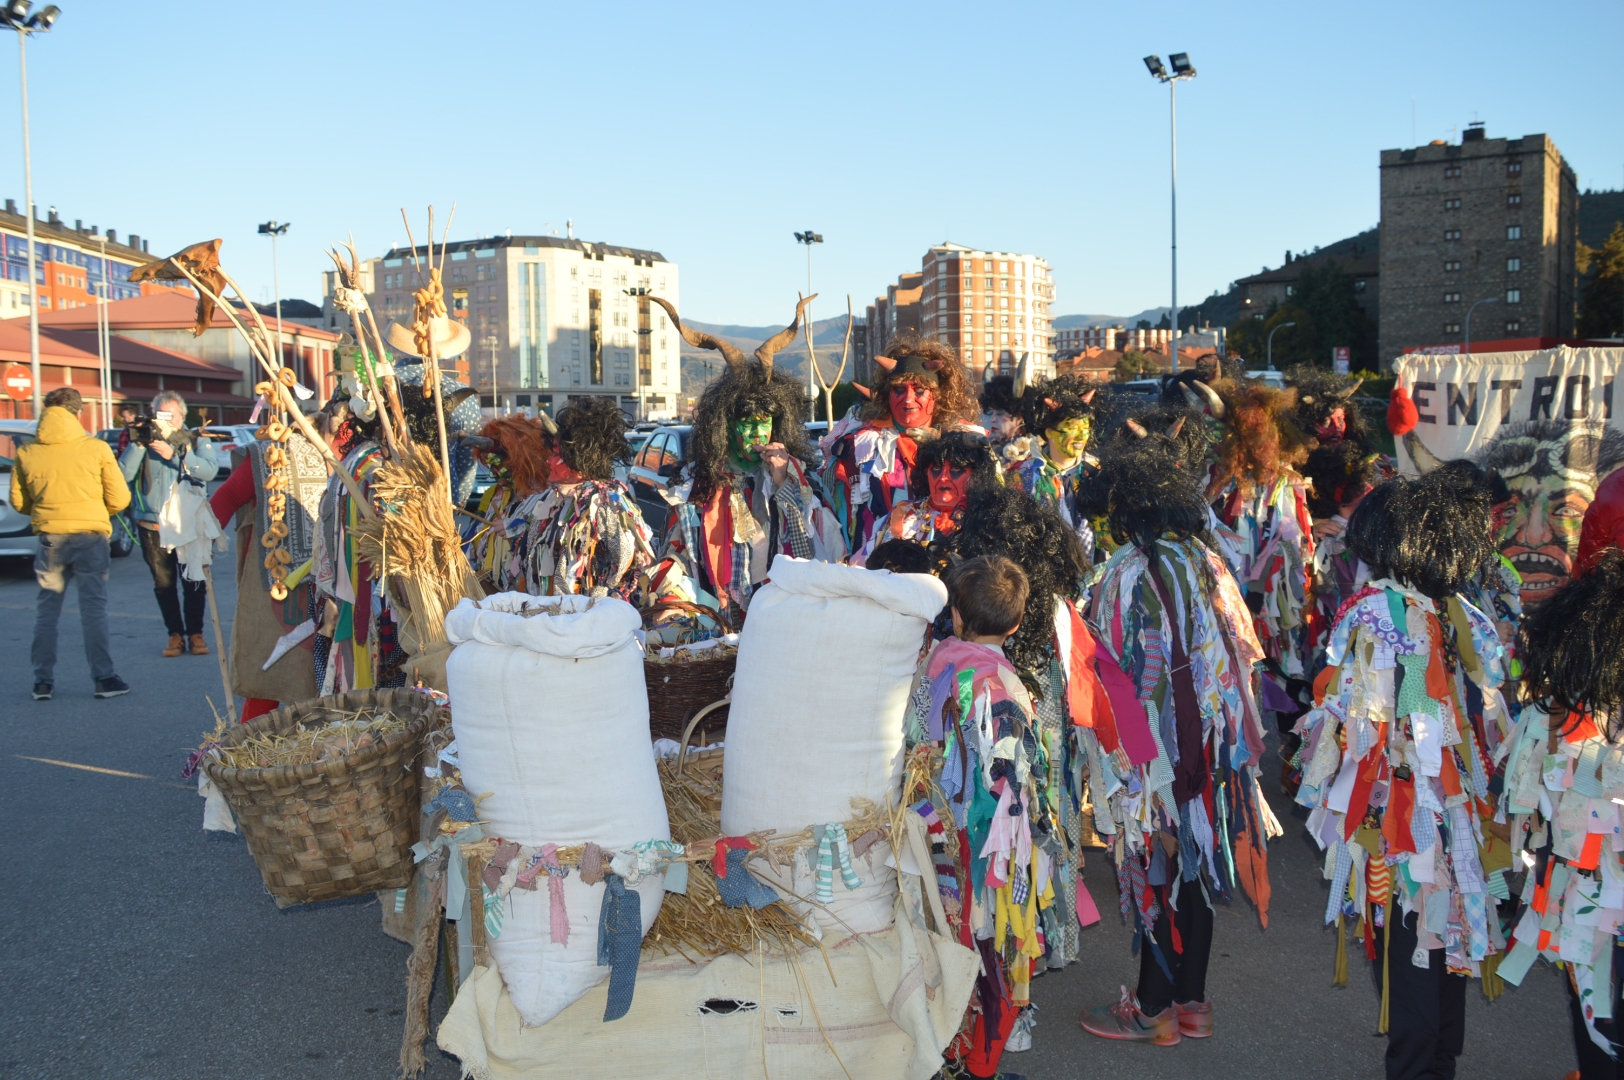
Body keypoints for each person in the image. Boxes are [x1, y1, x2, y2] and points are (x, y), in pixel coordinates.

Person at [1290, 476, 1511, 1080]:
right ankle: (1439, 1060)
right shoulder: (1451, 608)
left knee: (1412, 936)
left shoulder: (1379, 612)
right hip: (1449, 800)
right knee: (1444, 927)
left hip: (1401, 808)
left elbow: (1360, 719)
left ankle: (1417, 1068)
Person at [1077, 440, 1275, 1047]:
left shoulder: (1125, 573)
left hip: (1154, 749)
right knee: (1194, 858)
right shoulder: (1208, 561)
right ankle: (1193, 1001)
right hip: (1214, 743)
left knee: (1156, 860)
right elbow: (1244, 653)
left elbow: (1111, 672)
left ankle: (1153, 1008)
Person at [912, 554, 1040, 1080]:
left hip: (930, 825)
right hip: (985, 843)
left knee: (943, 935)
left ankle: (946, 1052)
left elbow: (916, 737)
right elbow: (1014, 783)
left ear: (958, 617)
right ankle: (974, 1061)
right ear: (1014, 624)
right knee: (986, 941)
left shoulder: (934, 663)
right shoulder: (1004, 689)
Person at [1498, 549, 1624, 1080]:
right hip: (1591, 891)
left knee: (1594, 996)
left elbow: (1530, 812)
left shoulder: (1555, 720)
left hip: (1585, 895)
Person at [651, 295, 844, 619]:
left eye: (765, 420)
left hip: (783, 616)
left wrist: (783, 480)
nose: (758, 432)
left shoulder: (796, 477)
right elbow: (680, 552)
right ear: (724, 423)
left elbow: (814, 550)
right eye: (746, 421)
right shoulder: (698, 484)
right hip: (719, 619)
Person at [13, 388, 132, 700]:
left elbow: (19, 501)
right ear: (78, 414)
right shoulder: (95, 449)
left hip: (50, 538)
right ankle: (104, 679)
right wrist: (95, 510)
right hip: (90, 536)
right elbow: (120, 498)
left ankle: (42, 682)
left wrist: (46, 512)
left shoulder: (27, 452)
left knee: (46, 609)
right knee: (93, 608)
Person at [208, 410, 327, 722]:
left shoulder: (352, 457)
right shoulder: (270, 456)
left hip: (332, 579)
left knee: (323, 674)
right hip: (274, 581)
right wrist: (200, 544)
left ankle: (316, 747)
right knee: (270, 669)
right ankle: (251, 747)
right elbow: (227, 496)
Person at [822, 330, 982, 556]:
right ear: (887, 394)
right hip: (876, 561)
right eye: (899, 389)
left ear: (937, 395)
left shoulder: (967, 443)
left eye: (919, 391)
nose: (908, 399)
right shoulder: (859, 446)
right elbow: (836, 503)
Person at [120, 391, 219, 657]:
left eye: (170, 416)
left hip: (189, 522)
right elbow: (123, 474)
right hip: (152, 525)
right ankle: (174, 635)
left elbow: (209, 471)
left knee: (193, 581)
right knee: (164, 584)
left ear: (182, 416)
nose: (164, 421)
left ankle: (196, 633)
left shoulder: (195, 438)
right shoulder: (145, 439)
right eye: (159, 415)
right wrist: (140, 443)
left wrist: (175, 456)